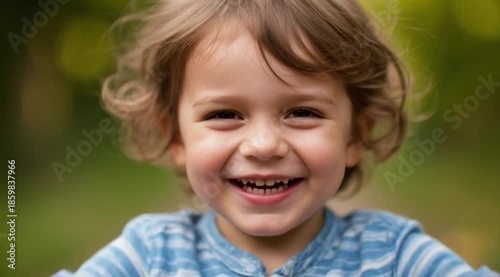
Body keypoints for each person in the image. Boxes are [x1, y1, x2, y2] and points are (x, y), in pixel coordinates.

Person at [54, 0, 499, 276]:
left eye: (302, 112)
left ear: (356, 135)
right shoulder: (151, 255)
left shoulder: (393, 255)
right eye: (225, 114)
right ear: (176, 137)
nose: (264, 145)